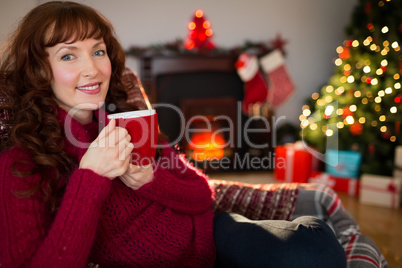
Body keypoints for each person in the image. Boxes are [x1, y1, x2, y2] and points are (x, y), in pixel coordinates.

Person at [0, 2, 346, 267]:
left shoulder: (129, 121)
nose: (91, 68)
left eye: (98, 50)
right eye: (68, 55)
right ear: (40, 70)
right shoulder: (22, 164)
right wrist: (90, 178)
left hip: (213, 237)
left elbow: (201, 194)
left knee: (316, 247)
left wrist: (150, 179)